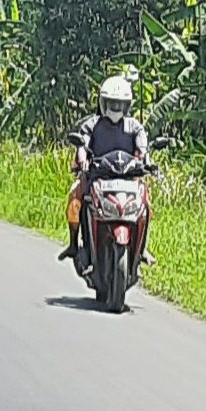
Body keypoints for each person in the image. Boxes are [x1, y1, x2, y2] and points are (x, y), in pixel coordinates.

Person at [58, 75, 155, 268]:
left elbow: (142, 147)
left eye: (120, 104)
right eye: (112, 103)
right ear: (103, 102)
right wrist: (83, 160)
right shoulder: (92, 124)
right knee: (74, 200)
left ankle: (141, 248)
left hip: (127, 178)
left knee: (146, 206)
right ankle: (73, 244)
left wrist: (147, 160)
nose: (116, 108)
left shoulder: (134, 127)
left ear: (127, 105)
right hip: (96, 176)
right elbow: (83, 145)